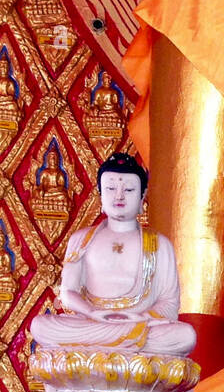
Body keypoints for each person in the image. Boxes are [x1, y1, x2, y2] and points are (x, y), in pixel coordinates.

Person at [29, 152, 196, 359]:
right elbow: (68, 293)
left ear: (143, 195)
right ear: (100, 194)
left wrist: (136, 318)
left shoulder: (160, 245)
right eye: (110, 188)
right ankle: (122, 346)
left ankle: (106, 348)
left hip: (139, 324)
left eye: (128, 189)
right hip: (93, 322)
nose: (119, 195)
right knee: (40, 326)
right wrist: (93, 313)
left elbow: (169, 303)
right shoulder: (81, 239)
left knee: (185, 335)